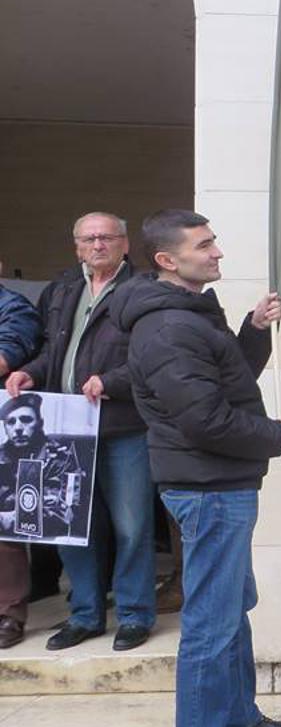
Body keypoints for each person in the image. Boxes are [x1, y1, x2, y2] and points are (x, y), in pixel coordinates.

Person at [114, 209, 281, 727]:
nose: (217, 252)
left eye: (214, 240)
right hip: (208, 487)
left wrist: (253, 330)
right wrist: (278, 436)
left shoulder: (191, 314)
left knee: (232, 606)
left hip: (221, 484)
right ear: (167, 260)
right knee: (210, 623)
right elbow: (206, 421)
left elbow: (230, 381)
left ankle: (239, 719)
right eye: (204, 245)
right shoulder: (169, 328)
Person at [5, 212, 158, 652]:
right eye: (88, 239)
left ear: (125, 243)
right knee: (68, 523)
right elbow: (53, 350)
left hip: (123, 425)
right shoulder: (63, 288)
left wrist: (112, 381)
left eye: (106, 237)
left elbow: (153, 356)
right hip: (65, 428)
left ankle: (134, 615)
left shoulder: (144, 289)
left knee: (132, 526)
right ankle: (86, 615)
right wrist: (31, 373)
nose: (97, 245)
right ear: (76, 247)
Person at [0, 261, 40, 649]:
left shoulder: (13, 307)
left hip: (5, 429)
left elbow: (7, 354)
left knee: (4, 523)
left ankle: (8, 613)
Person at [0, 393, 88, 542]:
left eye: (26, 420)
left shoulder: (61, 458)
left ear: (40, 423)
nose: (18, 428)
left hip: (47, 539)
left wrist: (6, 519)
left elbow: (63, 513)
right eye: (11, 422)